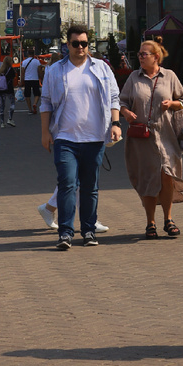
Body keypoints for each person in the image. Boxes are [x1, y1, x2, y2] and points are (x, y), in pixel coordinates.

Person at [40, 23, 121, 249]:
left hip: (94, 138)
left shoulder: (101, 68)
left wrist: (115, 123)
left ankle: (88, 231)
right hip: (65, 138)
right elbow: (45, 102)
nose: (80, 47)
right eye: (75, 43)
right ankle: (65, 233)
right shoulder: (55, 70)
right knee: (67, 183)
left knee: (90, 187)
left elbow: (114, 97)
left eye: (84, 43)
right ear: (67, 45)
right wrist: (45, 132)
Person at [119, 38, 183, 239]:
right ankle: (150, 222)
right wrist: (125, 112)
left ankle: (168, 219)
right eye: (139, 54)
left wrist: (172, 104)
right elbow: (122, 102)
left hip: (166, 135)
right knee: (148, 179)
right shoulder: (134, 77)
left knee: (167, 176)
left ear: (156, 57)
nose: (140, 57)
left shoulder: (170, 76)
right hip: (142, 139)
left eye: (144, 54)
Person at [0, 55, 16, 127]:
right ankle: (10, 118)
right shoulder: (11, 70)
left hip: (1, 89)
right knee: (12, 103)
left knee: (2, 105)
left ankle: (2, 122)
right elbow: (13, 79)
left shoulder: (0, 70)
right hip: (9, 89)